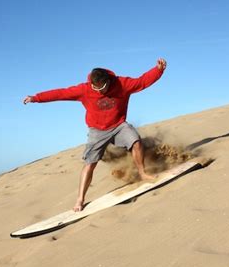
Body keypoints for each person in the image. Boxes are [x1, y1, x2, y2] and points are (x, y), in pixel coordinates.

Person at [23, 58, 167, 211]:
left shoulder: (121, 84)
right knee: (90, 164)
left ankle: (142, 173)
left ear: (109, 82)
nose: (98, 91)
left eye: (102, 88)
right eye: (95, 88)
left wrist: (158, 70)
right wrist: (36, 98)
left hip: (118, 125)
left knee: (136, 141)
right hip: (97, 131)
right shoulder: (84, 90)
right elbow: (61, 93)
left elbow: (142, 82)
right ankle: (80, 199)